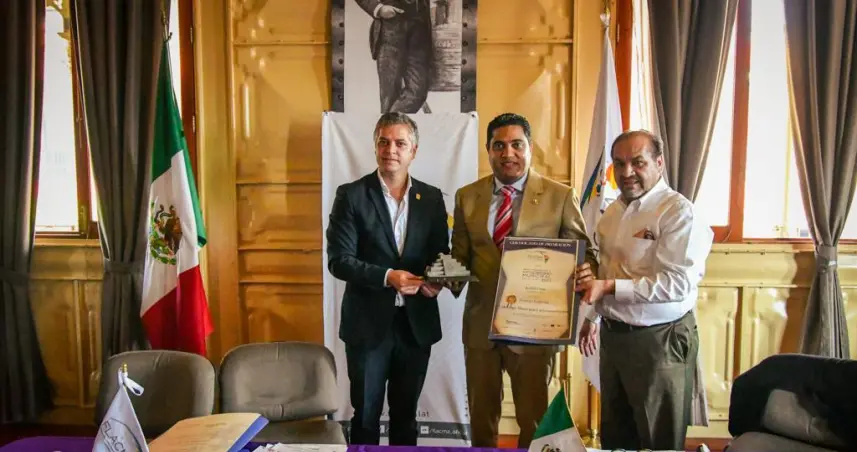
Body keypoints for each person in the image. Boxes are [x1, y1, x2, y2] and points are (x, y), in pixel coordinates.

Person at [448, 113, 597, 448]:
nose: (508, 153)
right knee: (481, 419)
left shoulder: (560, 196)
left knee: (534, 419)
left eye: (517, 144)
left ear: (530, 147)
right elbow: (460, 257)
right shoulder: (467, 196)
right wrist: (440, 276)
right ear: (488, 149)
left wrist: (586, 269)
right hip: (481, 327)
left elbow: (584, 252)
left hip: (534, 329)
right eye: (499, 145)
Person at [575, 129, 714, 451]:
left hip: (659, 340)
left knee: (659, 440)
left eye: (638, 162)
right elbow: (609, 269)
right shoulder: (612, 212)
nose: (627, 172)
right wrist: (593, 316)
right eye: (619, 163)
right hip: (614, 337)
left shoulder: (678, 212)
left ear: (659, 163)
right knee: (617, 437)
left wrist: (609, 287)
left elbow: (677, 283)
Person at [326, 112, 449, 445]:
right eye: (383, 142)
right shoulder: (351, 195)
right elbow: (339, 261)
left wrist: (437, 280)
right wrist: (387, 277)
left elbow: (440, 253)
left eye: (400, 143)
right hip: (367, 325)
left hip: (415, 325)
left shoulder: (431, 198)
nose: (390, 150)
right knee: (365, 415)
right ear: (375, 146)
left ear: (414, 151)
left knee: (406, 417)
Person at [354, 0, 433, 113]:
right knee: (389, 96)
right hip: (390, 30)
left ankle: (389, 120)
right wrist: (379, 9)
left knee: (417, 92)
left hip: (419, 30)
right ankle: (389, 121)